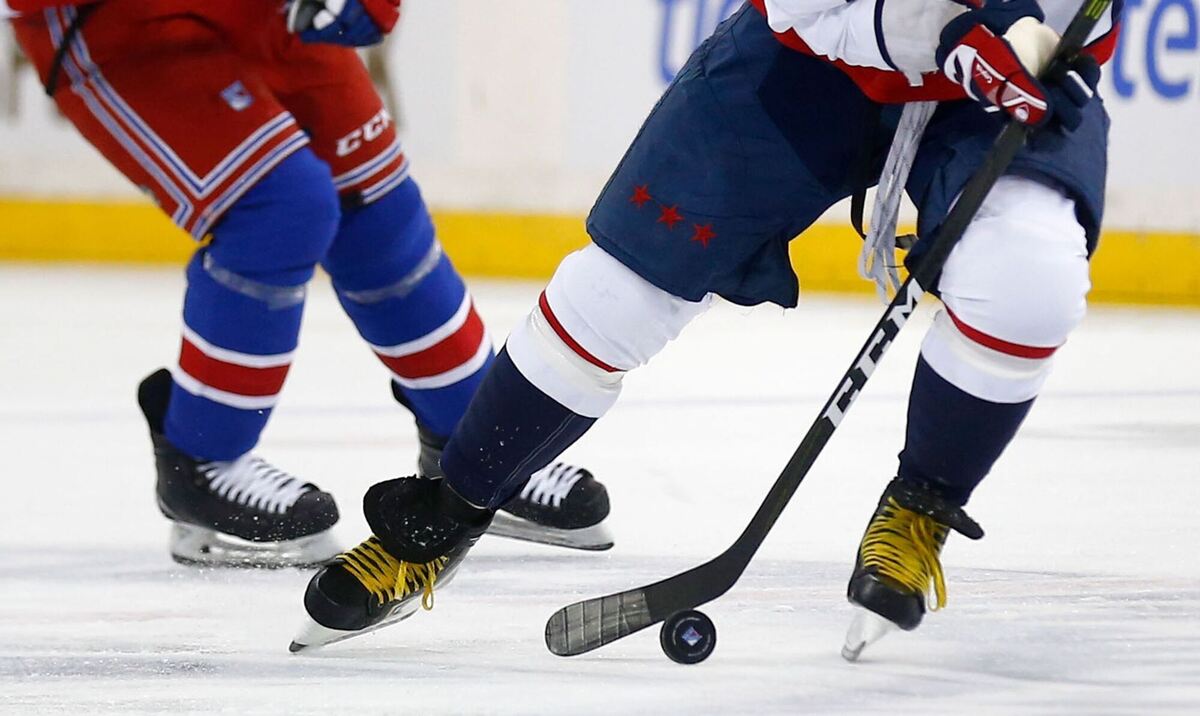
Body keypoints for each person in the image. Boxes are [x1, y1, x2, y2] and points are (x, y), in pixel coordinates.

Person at [288, 0, 1116, 654]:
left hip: (1002, 77)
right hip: (812, 58)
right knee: (612, 296)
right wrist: (951, 38)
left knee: (1029, 274)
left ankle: (920, 507)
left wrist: (1040, 42)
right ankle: (449, 508)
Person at [7, 0, 614, 568]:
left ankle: (471, 446)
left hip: (267, 13)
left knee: (379, 213)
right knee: (279, 207)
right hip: (121, 21)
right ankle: (202, 460)